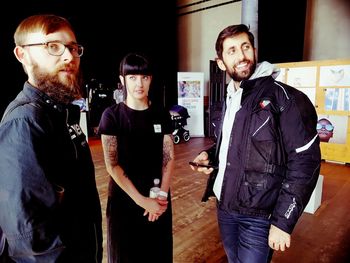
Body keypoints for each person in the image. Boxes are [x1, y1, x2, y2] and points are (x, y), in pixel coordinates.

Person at [190, 24, 321, 263]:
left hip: (260, 216)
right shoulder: (229, 98)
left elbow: (305, 162)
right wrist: (211, 156)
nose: (241, 56)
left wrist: (283, 222)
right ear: (221, 62)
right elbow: (239, 143)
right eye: (231, 51)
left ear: (254, 50)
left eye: (245, 47)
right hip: (225, 206)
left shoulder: (286, 98)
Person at [0, 14, 103, 262]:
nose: (69, 57)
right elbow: (31, 239)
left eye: (73, 48)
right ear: (22, 55)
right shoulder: (25, 120)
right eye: (53, 46)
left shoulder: (61, 113)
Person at [98, 53, 174, 263]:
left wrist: (159, 198)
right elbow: (112, 165)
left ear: (151, 79)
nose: (139, 83)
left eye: (144, 77)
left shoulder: (161, 114)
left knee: (158, 254)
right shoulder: (112, 116)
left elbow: (168, 159)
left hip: (158, 195)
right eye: (132, 77)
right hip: (125, 200)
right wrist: (143, 202)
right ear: (122, 80)